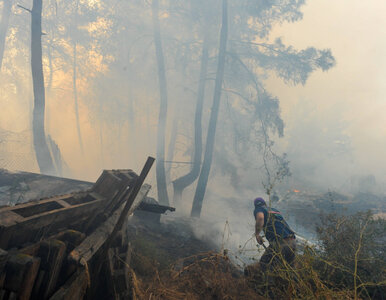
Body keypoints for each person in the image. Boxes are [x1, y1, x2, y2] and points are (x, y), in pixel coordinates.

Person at [253, 197, 296, 271]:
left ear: (255, 206)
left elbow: (260, 218)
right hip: (292, 241)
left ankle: (270, 282)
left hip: (281, 242)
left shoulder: (259, 209)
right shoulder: (275, 210)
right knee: (289, 270)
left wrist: (257, 234)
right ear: (265, 204)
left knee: (265, 264)